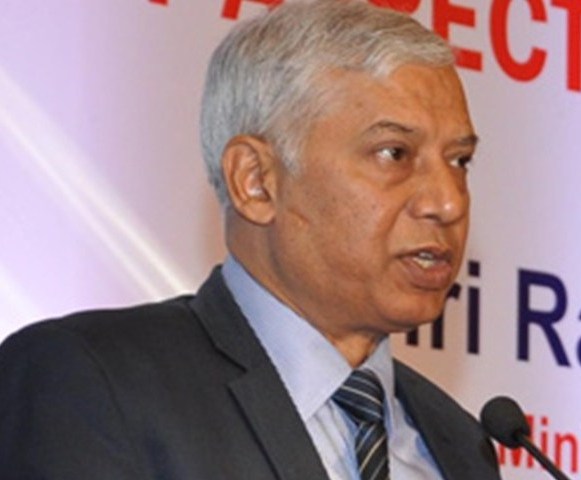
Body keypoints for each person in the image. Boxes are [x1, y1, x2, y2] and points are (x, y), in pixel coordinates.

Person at [0, 1, 501, 479]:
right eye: (394, 153)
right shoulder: (91, 382)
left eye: (460, 160)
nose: (448, 202)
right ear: (256, 181)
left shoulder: (461, 441)